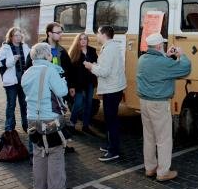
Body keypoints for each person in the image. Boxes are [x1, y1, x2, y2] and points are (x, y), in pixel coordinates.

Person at [136, 33, 191, 181]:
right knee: (164, 139)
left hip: (144, 103)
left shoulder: (142, 59)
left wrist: (166, 56)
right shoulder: (163, 63)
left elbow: (159, 67)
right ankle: (163, 173)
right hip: (159, 104)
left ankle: (150, 168)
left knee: (149, 138)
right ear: (159, 46)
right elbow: (185, 69)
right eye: (163, 45)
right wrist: (182, 55)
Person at [21, 43, 73, 189]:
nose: (52, 54)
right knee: (55, 151)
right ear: (45, 55)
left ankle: (40, 187)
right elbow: (62, 91)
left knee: (39, 152)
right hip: (49, 117)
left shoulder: (27, 72)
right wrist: (63, 81)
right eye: (50, 52)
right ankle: (56, 188)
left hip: (32, 118)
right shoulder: (50, 70)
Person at [25, 22, 75, 153]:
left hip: (57, 95)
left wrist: (71, 86)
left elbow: (68, 70)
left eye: (61, 32)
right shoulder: (37, 50)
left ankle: (60, 144)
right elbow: (28, 69)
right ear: (49, 33)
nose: (60, 35)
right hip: (44, 99)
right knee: (44, 129)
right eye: (57, 32)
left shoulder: (62, 51)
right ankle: (38, 149)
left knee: (57, 122)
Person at [84, 26, 126, 162]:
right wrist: (97, 65)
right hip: (115, 88)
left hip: (111, 90)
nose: (96, 35)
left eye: (97, 33)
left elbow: (104, 72)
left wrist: (91, 67)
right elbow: (107, 67)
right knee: (111, 120)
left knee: (111, 121)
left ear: (103, 34)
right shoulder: (112, 47)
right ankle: (111, 145)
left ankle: (114, 151)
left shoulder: (109, 49)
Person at [0, 27, 30, 132]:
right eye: (16, 35)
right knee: (11, 104)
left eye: (20, 35)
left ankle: (27, 125)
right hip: (11, 82)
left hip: (23, 81)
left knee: (24, 104)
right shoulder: (5, 48)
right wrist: (12, 60)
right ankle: (9, 127)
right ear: (11, 37)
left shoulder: (25, 47)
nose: (18, 37)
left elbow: (30, 60)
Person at [67, 32, 98, 134]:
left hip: (89, 81)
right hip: (78, 83)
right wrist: (71, 86)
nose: (83, 41)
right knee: (78, 103)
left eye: (85, 39)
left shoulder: (92, 51)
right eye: (81, 39)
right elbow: (70, 71)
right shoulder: (74, 52)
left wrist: (93, 66)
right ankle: (72, 123)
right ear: (77, 41)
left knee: (89, 104)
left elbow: (96, 64)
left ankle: (85, 125)